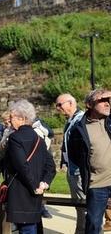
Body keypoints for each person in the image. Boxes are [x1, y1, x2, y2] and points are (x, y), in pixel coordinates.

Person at [5, 99, 56, 234]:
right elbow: (51, 166)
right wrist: (44, 184)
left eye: (11, 118)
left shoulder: (15, 138)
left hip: (21, 191)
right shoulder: (39, 138)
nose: (9, 121)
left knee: (27, 229)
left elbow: (22, 166)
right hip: (35, 191)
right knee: (32, 226)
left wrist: (34, 186)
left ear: (22, 118)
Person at [68, 89, 111, 234]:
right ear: (89, 104)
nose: (107, 103)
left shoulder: (109, 121)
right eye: (102, 100)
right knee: (93, 223)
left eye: (109, 100)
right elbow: (74, 155)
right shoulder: (79, 129)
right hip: (97, 184)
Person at [55, 93, 86, 233]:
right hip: (72, 169)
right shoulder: (71, 120)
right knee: (78, 205)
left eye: (59, 105)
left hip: (79, 170)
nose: (57, 108)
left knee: (83, 204)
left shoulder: (81, 119)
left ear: (71, 103)